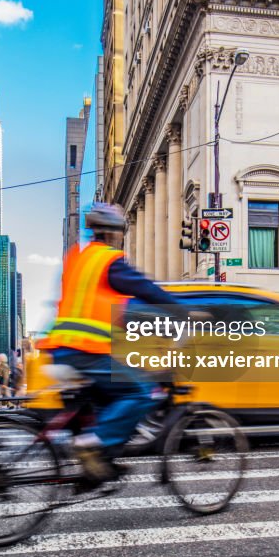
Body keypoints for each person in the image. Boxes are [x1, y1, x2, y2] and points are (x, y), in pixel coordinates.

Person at [36, 202, 178, 486]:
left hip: (61, 350)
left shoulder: (78, 258)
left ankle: (98, 465)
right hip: (85, 351)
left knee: (103, 402)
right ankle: (93, 444)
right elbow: (146, 290)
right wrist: (180, 311)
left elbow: (104, 310)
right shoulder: (109, 261)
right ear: (115, 233)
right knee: (141, 393)